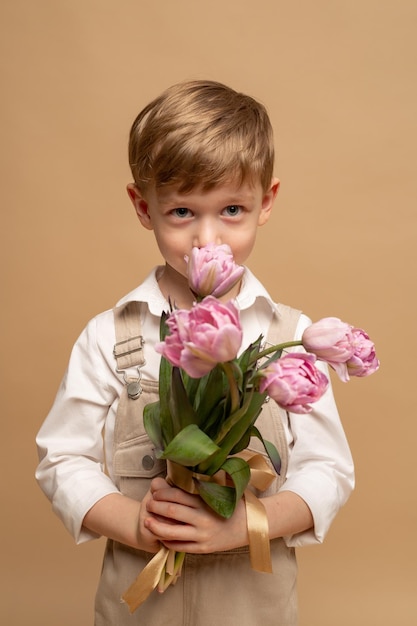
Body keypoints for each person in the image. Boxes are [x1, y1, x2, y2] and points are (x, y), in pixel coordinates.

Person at [36, 80, 354, 626]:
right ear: (143, 206)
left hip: (252, 607)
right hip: (141, 607)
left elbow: (327, 470)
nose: (209, 240)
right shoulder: (110, 335)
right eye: (182, 212)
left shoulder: (290, 335)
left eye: (233, 209)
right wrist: (135, 523)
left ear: (267, 202)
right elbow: (63, 460)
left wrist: (248, 523)